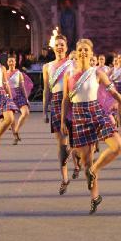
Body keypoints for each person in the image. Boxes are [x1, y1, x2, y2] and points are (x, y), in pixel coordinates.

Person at [61, 38, 121, 214]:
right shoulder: (68, 74)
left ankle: (96, 169)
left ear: (91, 53)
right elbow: (66, 99)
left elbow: (115, 93)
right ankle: (95, 197)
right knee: (87, 161)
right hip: (79, 115)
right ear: (76, 52)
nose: (83, 52)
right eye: (80, 50)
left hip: (96, 111)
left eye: (86, 50)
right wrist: (64, 120)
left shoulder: (97, 73)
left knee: (118, 146)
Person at [43, 34, 74, 195]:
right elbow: (46, 89)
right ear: (54, 47)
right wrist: (44, 110)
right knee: (61, 143)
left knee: (75, 141)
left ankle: (75, 155)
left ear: (66, 47)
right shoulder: (47, 66)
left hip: (72, 101)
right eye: (57, 45)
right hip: (56, 102)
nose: (60, 47)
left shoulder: (72, 63)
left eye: (62, 44)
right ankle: (64, 178)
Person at [7, 55, 31, 144]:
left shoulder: (19, 73)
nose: (11, 63)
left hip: (18, 94)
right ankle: (15, 137)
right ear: (7, 62)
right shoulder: (4, 73)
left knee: (26, 113)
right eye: (9, 61)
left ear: (15, 62)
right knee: (11, 118)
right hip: (9, 95)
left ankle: (17, 129)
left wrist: (26, 99)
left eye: (12, 61)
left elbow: (22, 87)